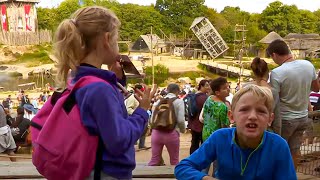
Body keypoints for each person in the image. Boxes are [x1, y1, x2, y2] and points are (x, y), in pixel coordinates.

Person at [53, 6, 152, 179]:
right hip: (105, 173)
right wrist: (142, 112)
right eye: (117, 39)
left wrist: (116, 79)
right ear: (106, 39)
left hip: (87, 169)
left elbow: (99, 117)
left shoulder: (77, 78)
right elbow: (119, 141)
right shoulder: (99, 89)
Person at [174, 85, 297, 180]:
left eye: (261, 111)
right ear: (231, 116)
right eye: (244, 110)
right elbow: (182, 168)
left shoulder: (278, 146)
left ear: (270, 119)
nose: (252, 116)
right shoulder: (220, 138)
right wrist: (204, 178)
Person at [267, 39, 320, 168]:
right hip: (303, 117)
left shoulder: (276, 73)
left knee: (278, 151)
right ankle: (291, 176)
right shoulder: (308, 65)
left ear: (274, 55)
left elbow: (273, 99)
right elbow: (316, 88)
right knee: (295, 150)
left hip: (285, 119)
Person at [148, 83, 186, 166]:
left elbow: (151, 119)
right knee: (174, 161)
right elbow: (181, 120)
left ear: (167, 90)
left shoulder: (158, 101)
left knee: (154, 160)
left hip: (156, 133)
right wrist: (182, 130)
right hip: (171, 132)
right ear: (178, 91)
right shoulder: (179, 102)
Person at [200, 77, 230, 174]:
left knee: (205, 162)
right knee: (217, 165)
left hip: (206, 133)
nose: (228, 89)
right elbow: (224, 126)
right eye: (225, 88)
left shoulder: (209, 99)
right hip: (218, 138)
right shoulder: (222, 106)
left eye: (228, 86)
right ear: (217, 92)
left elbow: (204, 115)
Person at [249, 57, 281, 135]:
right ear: (267, 72)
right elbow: (277, 119)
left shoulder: (246, 88)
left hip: (248, 128)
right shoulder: (273, 92)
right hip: (266, 131)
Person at [188, 79, 210, 155]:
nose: (208, 87)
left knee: (194, 144)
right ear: (201, 86)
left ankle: (192, 161)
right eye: (207, 85)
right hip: (202, 125)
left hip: (193, 124)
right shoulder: (205, 98)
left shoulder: (193, 96)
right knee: (204, 145)